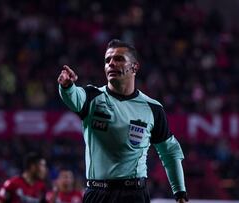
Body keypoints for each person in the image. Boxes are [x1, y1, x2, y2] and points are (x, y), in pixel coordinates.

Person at [57, 39, 188, 203]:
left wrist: (180, 193)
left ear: (135, 67)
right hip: (98, 194)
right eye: (107, 60)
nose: (111, 63)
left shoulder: (153, 108)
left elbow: (169, 152)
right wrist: (67, 87)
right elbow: (74, 97)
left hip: (134, 195)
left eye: (118, 59)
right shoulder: (92, 97)